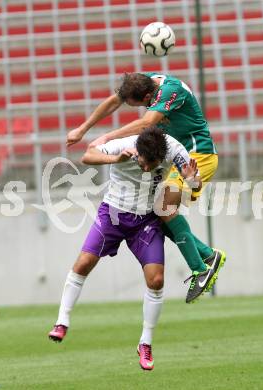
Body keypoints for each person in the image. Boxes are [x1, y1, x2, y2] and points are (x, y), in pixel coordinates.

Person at [49, 127, 224, 370]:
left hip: (146, 221)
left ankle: (145, 343)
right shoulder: (124, 145)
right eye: (143, 163)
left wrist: (192, 180)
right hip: (112, 215)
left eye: (151, 165)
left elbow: (194, 188)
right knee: (83, 263)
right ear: (138, 152)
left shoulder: (174, 149)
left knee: (156, 281)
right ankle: (62, 322)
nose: (146, 169)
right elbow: (87, 156)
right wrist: (115, 159)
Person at [66, 72, 225, 296]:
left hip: (196, 155)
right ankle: (207, 255)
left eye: (134, 104)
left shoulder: (170, 91)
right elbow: (114, 101)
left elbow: (146, 123)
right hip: (174, 155)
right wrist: (83, 129)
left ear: (148, 96)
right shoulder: (145, 81)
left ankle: (201, 268)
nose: (131, 106)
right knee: (156, 213)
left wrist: (107, 138)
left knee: (162, 207)